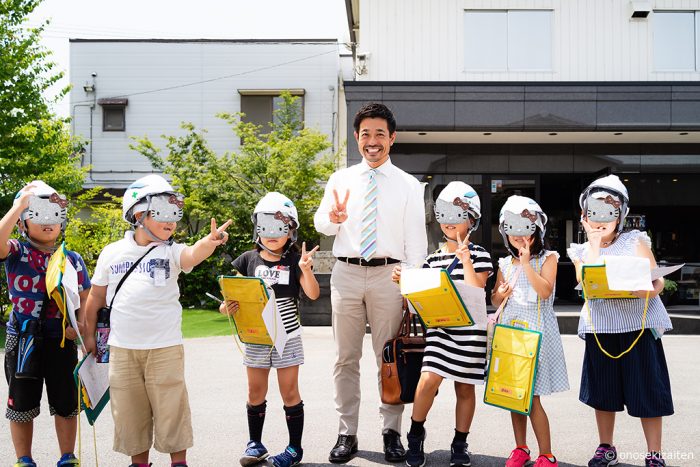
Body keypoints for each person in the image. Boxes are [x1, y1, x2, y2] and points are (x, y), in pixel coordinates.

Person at [82, 174, 231, 467]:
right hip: (123, 348)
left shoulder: (171, 251)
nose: (171, 221)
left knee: (171, 407)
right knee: (129, 410)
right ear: (138, 214)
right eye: (162, 212)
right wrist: (88, 336)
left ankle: (178, 463)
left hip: (165, 347)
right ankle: (139, 463)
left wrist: (209, 242)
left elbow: (191, 254)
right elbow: (96, 297)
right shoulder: (112, 253)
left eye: (175, 214)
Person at [314, 102, 427, 463]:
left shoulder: (409, 185)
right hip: (346, 272)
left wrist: (408, 278)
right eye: (366, 134)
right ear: (356, 138)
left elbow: (417, 242)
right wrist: (333, 218)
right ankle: (346, 433)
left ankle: (391, 432)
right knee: (345, 358)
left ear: (392, 138)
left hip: (388, 276)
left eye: (380, 134)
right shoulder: (340, 179)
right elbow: (321, 225)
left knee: (389, 358)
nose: (372, 141)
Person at [567, 175, 673, 467]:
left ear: (621, 215)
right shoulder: (580, 250)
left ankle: (654, 453)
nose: (600, 219)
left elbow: (657, 279)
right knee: (603, 392)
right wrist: (594, 242)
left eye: (609, 212)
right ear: (584, 214)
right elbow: (583, 279)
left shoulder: (636, 241)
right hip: (601, 328)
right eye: (594, 212)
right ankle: (606, 447)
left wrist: (650, 289)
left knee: (648, 391)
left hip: (638, 326)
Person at [392, 182, 492, 467]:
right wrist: (404, 281)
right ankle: (415, 435)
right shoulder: (432, 259)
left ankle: (460, 444)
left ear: (472, 219)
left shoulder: (481, 253)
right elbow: (418, 300)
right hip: (440, 331)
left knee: (465, 388)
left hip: (471, 332)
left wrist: (467, 261)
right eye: (445, 216)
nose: (450, 223)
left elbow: (477, 289)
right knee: (427, 381)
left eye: (458, 215)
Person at [219, 192, 320, 467]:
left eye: (280, 227)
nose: (273, 235)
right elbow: (232, 295)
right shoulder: (247, 259)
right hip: (256, 336)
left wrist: (306, 270)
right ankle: (255, 444)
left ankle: (294, 449)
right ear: (257, 229)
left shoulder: (293, 261)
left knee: (289, 392)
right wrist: (226, 308)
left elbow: (312, 294)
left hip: (287, 336)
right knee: (255, 392)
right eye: (266, 227)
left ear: (291, 231)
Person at [1, 181, 90, 467]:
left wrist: (80, 328)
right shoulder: (16, 252)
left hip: (62, 338)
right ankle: (23, 458)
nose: (48, 222)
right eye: (38, 214)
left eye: (54, 215)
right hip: (24, 339)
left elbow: (86, 298)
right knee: (21, 404)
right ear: (23, 223)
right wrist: (18, 206)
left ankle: (67, 456)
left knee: (66, 403)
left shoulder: (72, 259)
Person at [491, 195, 569, 467]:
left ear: (537, 230)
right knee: (514, 396)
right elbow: (495, 300)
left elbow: (545, 292)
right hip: (510, 334)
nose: (519, 236)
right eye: (512, 230)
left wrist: (525, 263)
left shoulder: (549, 258)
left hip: (535, 334)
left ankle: (546, 454)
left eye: (525, 230)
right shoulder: (503, 263)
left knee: (532, 397)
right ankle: (520, 448)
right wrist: (500, 293)